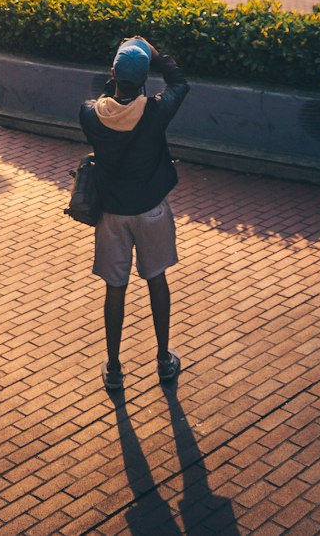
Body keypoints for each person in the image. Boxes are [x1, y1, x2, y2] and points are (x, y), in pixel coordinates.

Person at [79, 36, 190, 391]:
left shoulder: (90, 114)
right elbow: (181, 83)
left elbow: (106, 98)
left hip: (111, 213)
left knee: (116, 288)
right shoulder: (156, 112)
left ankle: (113, 367)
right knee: (156, 279)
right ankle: (162, 360)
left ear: (113, 72)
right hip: (151, 210)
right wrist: (155, 54)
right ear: (144, 77)